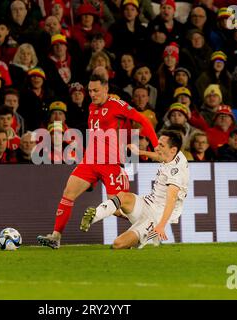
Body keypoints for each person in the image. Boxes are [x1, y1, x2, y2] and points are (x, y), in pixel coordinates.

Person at [36, 68, 159, 249]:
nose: (92, 95)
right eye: (90, 91)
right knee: (68, 193)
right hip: (90, 162)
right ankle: (55, 237)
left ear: (106, 89)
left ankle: (147, 227)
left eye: (96, 91)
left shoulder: (118, 105)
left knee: (119, 208)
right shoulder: (92, 107)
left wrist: (155, 146)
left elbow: (144, 121)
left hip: (111, 164)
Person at [79, 130, 189, 249]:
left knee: (118, 244)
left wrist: (161, 225)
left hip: (157, 217)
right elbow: (159, 156)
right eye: (158, 144)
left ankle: (145, 238)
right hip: (148, 203)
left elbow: (171, 199)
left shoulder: (176, 172)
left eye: (161, 145)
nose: (156, 148)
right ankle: (92, 217)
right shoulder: (174, 154)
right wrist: (139, 152)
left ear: (173, 149)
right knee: (122, 197)